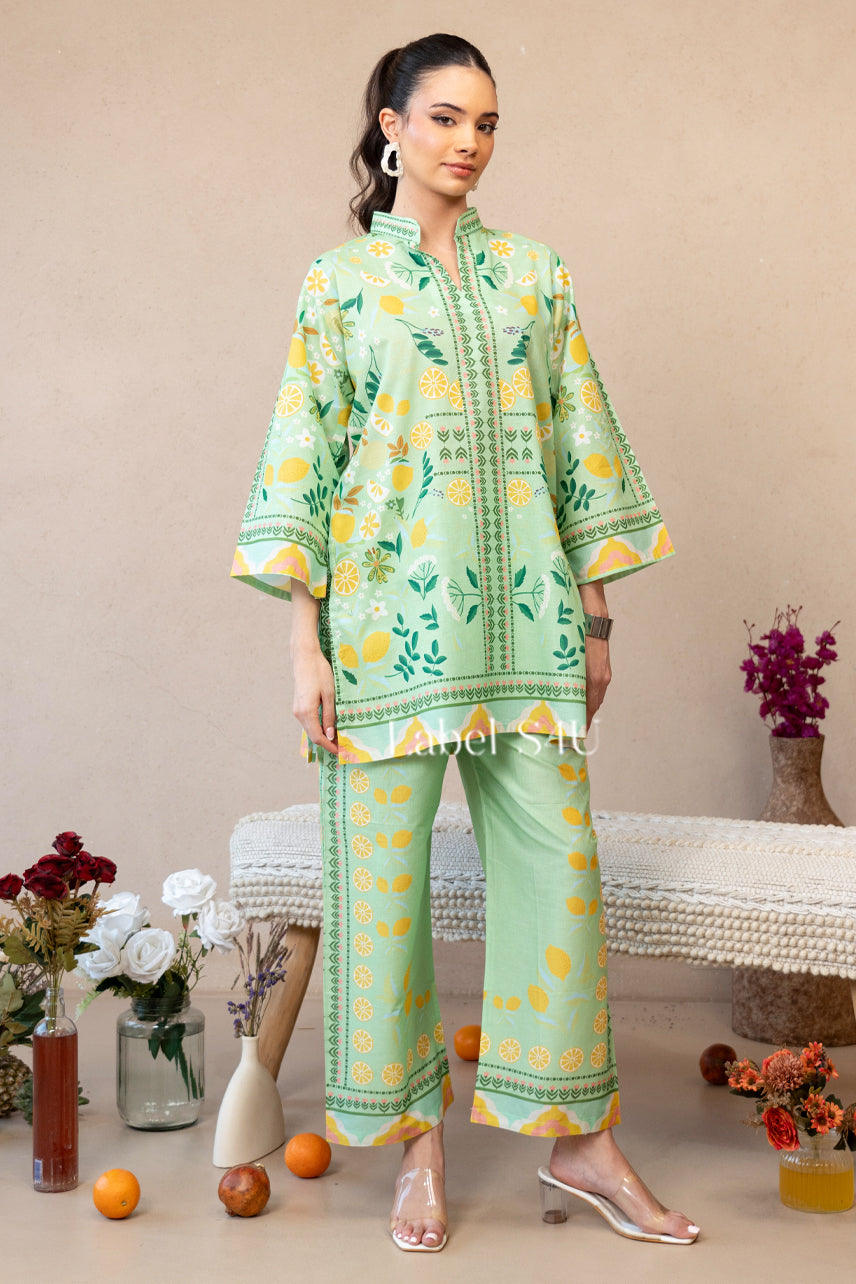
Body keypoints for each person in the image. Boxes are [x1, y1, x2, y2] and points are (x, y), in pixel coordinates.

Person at [231, 32, 698, 1252]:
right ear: (391, 127)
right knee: (381, 896)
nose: (468, 143)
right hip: (382, 639)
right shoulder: (339, 286)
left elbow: (578, 443)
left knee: (558, 880)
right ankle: (417, 1149)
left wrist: (596, 615)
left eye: (486, 122)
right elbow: (304, 459)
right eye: (444, 118)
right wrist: (304, 648)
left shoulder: (535, 276)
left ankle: (582, 1142)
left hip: (529, 628)